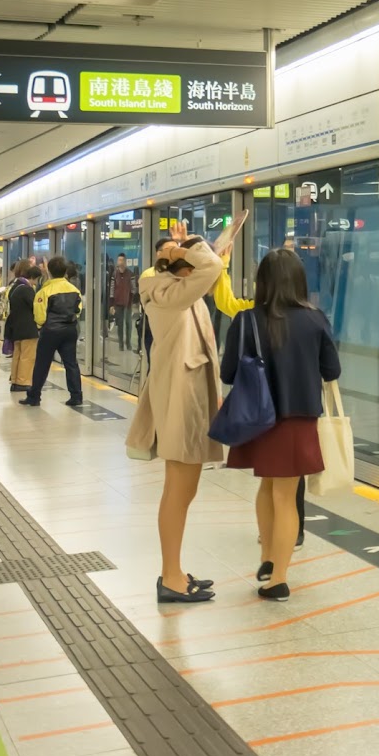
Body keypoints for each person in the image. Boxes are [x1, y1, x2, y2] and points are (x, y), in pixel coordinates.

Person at [222, 248, 342, 601]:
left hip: (256, 418)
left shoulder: (245, 320)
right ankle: (279, 578)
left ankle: (268, 559)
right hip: (297, 417)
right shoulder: (315, 319)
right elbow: (332, 371)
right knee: (286, 495)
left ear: (261, 283)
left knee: (266, 487)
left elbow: (226, 372)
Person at [128, 234, 226, 603]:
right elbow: (210, 267)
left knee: (183, 488)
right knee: (179, 489)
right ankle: (170, 576)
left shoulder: (180, 289)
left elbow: (212, 269)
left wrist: (203, 250)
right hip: (181, 397)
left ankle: (175, 571)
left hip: (192, 395)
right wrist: (181, 251)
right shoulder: (164, 291)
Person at [24, 257, 84, 407]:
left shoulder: (44, 291)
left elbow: (39, 316)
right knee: (71, 364)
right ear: (65, 272)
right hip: (70, 330)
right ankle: (76, 396)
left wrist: (43, 326)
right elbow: (78, 310)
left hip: (50, 331)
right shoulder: (74, 290)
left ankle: (34, 396)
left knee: (42, 364)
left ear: (48, 271)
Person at [5, 261, 40, 396]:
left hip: (16, 326)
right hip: (27, 327)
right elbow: (35, 306)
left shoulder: (14, 286)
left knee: (17, 355)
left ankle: (14, 380)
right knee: (28, 356)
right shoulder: (26, 289)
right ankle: (23, 382)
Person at [109, 253, 135, 351]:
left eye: (122, 260)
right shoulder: (114, 274)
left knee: (128, 323)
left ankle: (128, 343)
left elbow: (133, 289)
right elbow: (111, 289)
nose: (121, 262)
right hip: (117, 303)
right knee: (120, 324)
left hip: (127, 303)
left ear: (125, 261)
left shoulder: (130, 274)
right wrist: (111, 304)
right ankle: (121, 344)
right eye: (119, 260)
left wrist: (131, 301)